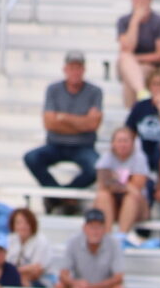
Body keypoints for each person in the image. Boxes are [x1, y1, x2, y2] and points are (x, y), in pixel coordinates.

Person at [26, 50, 105, 191]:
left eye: (78, 68)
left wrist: (64, 118)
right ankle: (57, 194)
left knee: (97, 167)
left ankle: (65, 195)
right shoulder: (53, 89)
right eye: (72, 68)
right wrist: (82, 123)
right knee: (31, 158)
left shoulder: (95, 91)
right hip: (55, 145)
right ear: (65, 69)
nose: (75, 72)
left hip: (83, 146)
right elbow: (49, 123)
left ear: (84, 70)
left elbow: (93, 124)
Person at [114, 0, 160, 105]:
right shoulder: (123, 21)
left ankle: (133, 110)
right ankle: (141, 92)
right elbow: (128, 48)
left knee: (132, 75)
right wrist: (135, 20)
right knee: (126, 60)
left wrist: (136, 59)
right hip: (127, 64)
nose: (139, 0)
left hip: (151, 66)